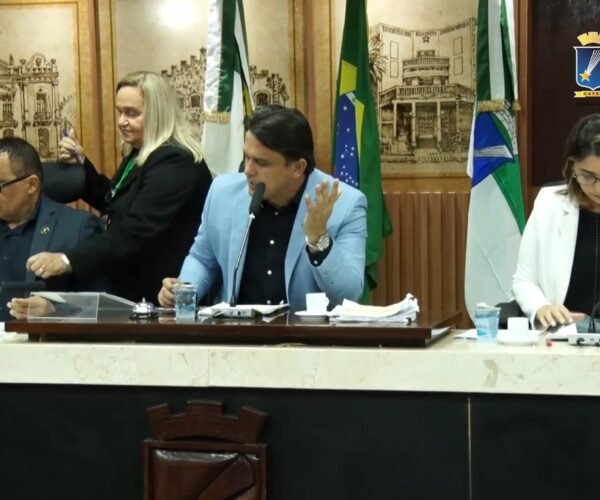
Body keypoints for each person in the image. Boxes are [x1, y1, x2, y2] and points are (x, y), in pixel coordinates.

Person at [25, 71, 213, 302]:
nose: (122, 121)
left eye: (132, 113)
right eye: (120, 112)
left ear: (158, 114)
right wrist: (81, 164)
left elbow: (135, 228)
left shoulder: (175, 160)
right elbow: (114, 200)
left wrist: (67, 260)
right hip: (137, 288)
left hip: (164, 294)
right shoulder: (141, 152)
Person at [158, 105, 367, 310]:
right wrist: (184, 290)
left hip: (306, 331)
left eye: (261, 163)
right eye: (247, 157)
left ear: (298, 167)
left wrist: (318, 239)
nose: (248, 171)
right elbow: (203, 260)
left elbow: (348, 295)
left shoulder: (344, 204)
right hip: (237, 328)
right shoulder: (222, 193)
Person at [512, 113, 600, 327]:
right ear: (572, 168)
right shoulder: (548, 204)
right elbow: (524, 281)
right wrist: (541, 307)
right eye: (588, 176)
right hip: (564, 336)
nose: (598, 188)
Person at [0, 137, 101, 321]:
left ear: (31, 185)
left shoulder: (78, 228)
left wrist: (55, 311)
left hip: (41, 337)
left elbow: (102, 306)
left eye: (1, 185)